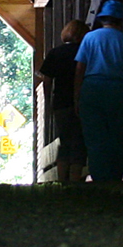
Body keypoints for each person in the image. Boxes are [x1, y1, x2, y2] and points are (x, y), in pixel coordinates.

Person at [74, 0, 123, 182]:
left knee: (95, 138)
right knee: (116, 136)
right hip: (118, 91)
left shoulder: (89, 38)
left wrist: (77, 97)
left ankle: (99, 179)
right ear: (120, 21)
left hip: (92, 90)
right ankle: (115, 178)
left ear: (103, 19)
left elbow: (80, 70)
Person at [36, 20, 88, 183]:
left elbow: (47, 80)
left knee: (65, 140)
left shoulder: (55, 53)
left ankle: (61, 180)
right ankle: (75, 179)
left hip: (61, 103)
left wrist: (49, 101)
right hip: (83, 101)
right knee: (80, 140)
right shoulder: (86, 52)